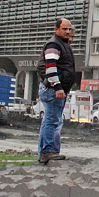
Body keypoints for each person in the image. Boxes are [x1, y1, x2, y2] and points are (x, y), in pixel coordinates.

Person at [36, 18, 76, 163]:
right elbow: (50, 68)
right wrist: (57, 87)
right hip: (54, 90)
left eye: (69, 29)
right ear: (56, 29)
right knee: (52, 121)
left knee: (51, 120)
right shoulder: (54, 44)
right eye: (64, 29)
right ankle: (48, 151)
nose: (67, 32)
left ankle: (46, 152)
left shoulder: (62, 44)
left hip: (57, 89)